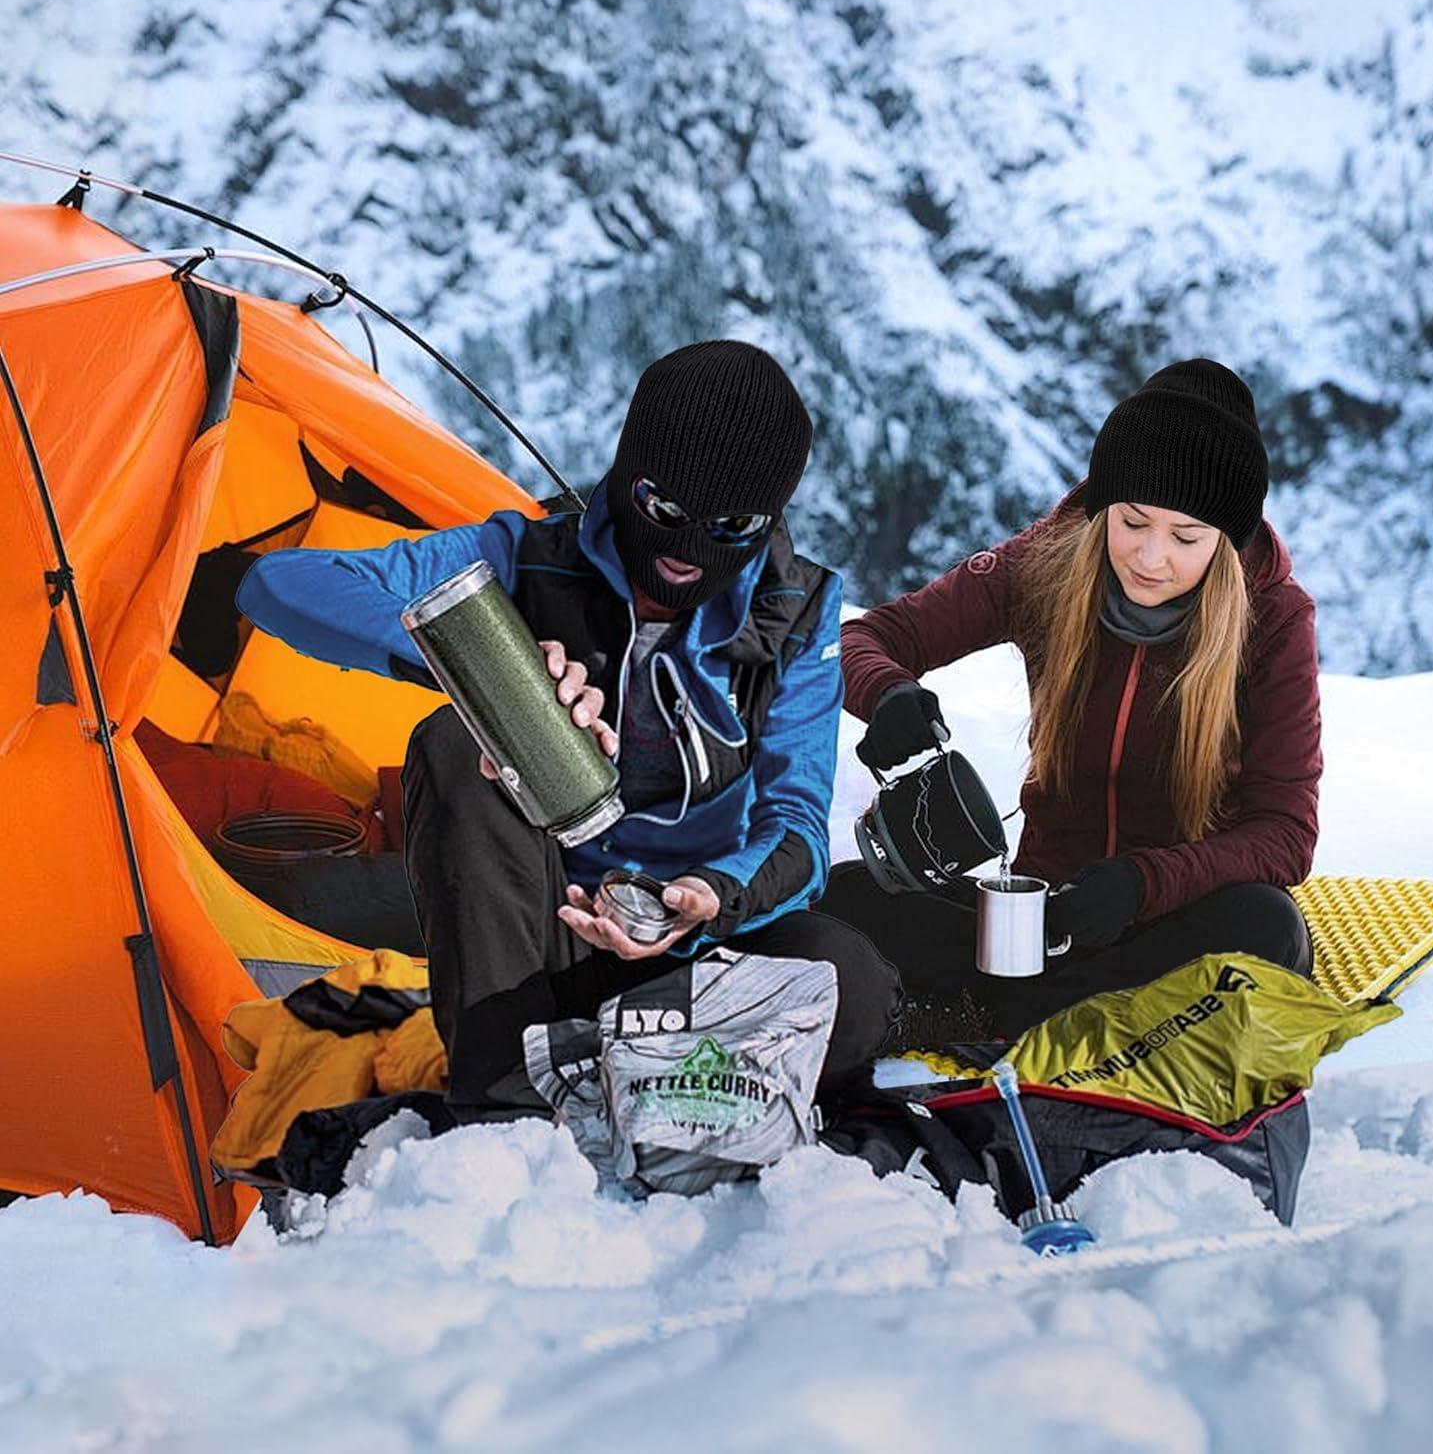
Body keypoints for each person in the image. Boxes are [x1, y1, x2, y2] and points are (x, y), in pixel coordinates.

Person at [238, 340, 900, 1113]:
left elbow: (797, 828)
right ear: (628, 473)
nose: (688, 554)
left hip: (695, 942)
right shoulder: (522, 557)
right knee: (454, 743)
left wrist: (709, 896)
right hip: (539, 939)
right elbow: (276, 587)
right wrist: (488, 665)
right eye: (666, 511)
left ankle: (590, 1056)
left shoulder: (798, 609)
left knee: (849, 989)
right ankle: (510, 1106)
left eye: (730, 526)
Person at [817, 358, 1320, 1041]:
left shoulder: (1275, 619)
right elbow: (869, 637)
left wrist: (1144, 883)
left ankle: (998, 1016)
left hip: (1177, 915)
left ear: (1226, 541)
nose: (1150, 558)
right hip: (1044, 916)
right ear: (1105, 505)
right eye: (1134, 521)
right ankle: (1062, 1012)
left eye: (1186, 537)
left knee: (1268, 927)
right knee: (844, 899)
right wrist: (890, 693)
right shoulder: (1047, 564)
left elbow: (1285, 836)